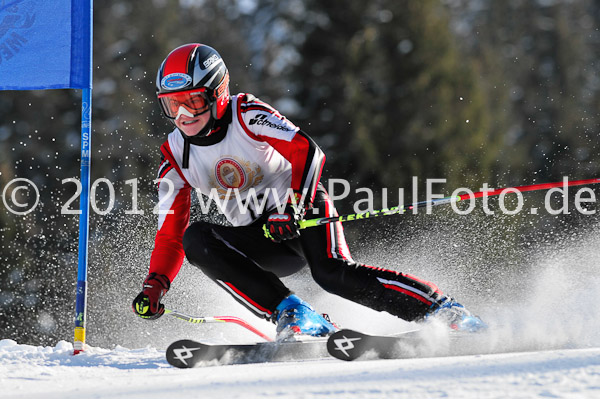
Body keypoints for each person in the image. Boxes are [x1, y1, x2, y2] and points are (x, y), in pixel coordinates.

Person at [132, 43, 486, 340]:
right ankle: (297, 315)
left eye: (191, 102)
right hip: (260, 236)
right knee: (197, 238)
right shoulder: (175, 153)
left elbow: (307, 151)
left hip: (301, 208)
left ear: (217, 93)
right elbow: (170, 233)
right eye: (171, 105)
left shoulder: (247, 114)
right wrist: (156, 283)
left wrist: (292, 207)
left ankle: (443, 311)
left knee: (333, 274)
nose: (182, 115)